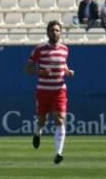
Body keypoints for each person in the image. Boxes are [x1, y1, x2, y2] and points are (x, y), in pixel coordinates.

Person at [25, 21, 74, 165]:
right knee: (42, 120)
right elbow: (27, 69)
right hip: (43, 90)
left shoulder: (65, 49)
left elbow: (62, 63)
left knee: (60, 119)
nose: (55, 32)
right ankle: (37, 132)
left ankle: (59, 153)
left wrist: (67, 71)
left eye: (57, 30)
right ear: (47, 32)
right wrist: (41, 72)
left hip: (59, 90)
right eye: (52, 30)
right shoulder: (39, 49)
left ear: (61, 32)